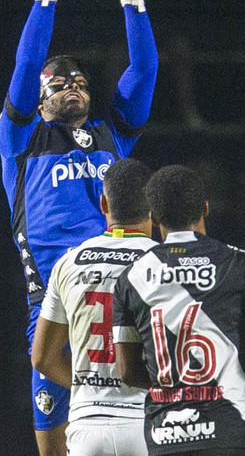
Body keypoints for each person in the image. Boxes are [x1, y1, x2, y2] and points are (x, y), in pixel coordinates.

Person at [0, 0, 159, 456]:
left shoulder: (113, 136)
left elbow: (146, 67)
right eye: (60, 83)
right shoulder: (21, 140)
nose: (73, 87)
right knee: (53, 450)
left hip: (119, 301)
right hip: (54, 306)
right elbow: (27, 64)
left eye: (82, 82)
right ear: (39, 98)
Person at [112, 164, 245, 445]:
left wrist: (178, 389)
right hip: (229, 430)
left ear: (153, 217)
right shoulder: (244, 264)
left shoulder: (131, 277)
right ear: (205, 208)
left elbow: (127, 371)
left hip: (164, 436)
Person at [30, 157, 154, 456]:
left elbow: (42, 358)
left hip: (88, 429)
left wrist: (90, 388)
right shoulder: (165, 263)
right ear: (153, 207)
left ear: (103, 204)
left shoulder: (69, 262)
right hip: (147, 423)